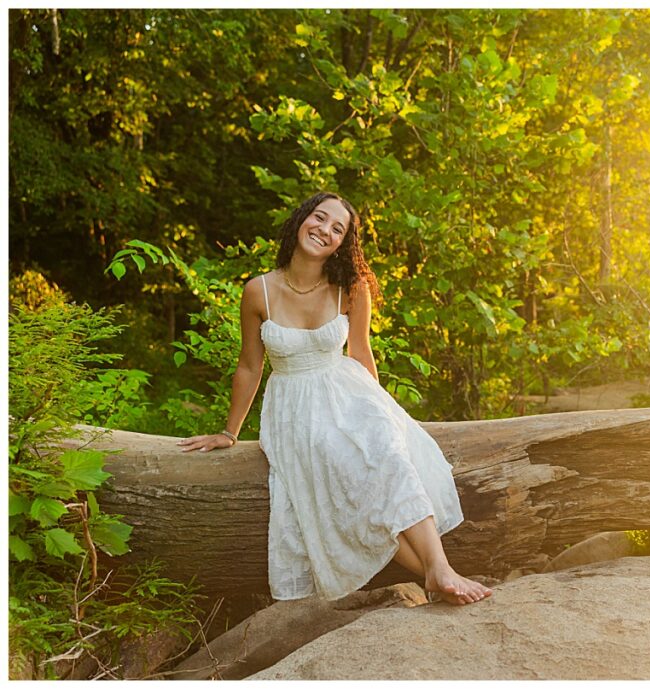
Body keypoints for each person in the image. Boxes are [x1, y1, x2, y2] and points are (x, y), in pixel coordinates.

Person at [177, 191, 493, 606]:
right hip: (294, 406)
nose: (324, 230)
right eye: (319, 218)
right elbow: (250, 367)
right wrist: (228, 432)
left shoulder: (351, 287)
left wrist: (384, 412)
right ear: (301, 220)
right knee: (342, 481)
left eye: (337, 228)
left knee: (387, 453)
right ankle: (434, 573)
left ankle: (440, 567)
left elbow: (360, 353)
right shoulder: (259, 292)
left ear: (343, 242)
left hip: (348, 391)